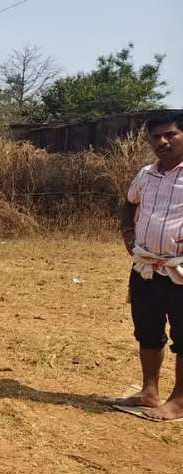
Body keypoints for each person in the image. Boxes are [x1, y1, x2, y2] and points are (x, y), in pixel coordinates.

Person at [117, 112, 183, 420]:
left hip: (180, 268)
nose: (162, 141)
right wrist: (128, 233)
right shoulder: (146, 174)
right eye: (156, 137)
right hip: (145, 267)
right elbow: (129, 202)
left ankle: (180, 400)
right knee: (147, 329)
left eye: (170, 135)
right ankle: (149, 392)